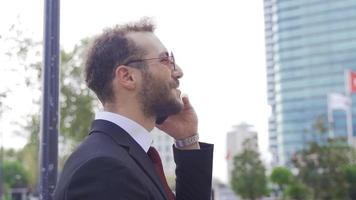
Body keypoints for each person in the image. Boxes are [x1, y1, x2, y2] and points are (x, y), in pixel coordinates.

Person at [53, 18, 213, 200]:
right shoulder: (103, 169)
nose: (178, 71)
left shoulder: (122, 157)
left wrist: (187, 140)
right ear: (127, 77)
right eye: (165, 60)